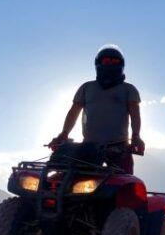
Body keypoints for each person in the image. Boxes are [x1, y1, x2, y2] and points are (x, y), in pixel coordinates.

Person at [49, 45, 145, 173]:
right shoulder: (87, 87)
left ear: (121, 65)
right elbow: (74, 112)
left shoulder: (128, 89)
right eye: (106, 61)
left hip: (120, 148)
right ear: (98, 64)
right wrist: (64, 133)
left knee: (125, 184)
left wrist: (136, 136)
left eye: (114, 61)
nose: (110, 65)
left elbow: (135, 114)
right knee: (76, 181)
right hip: (89, 147)